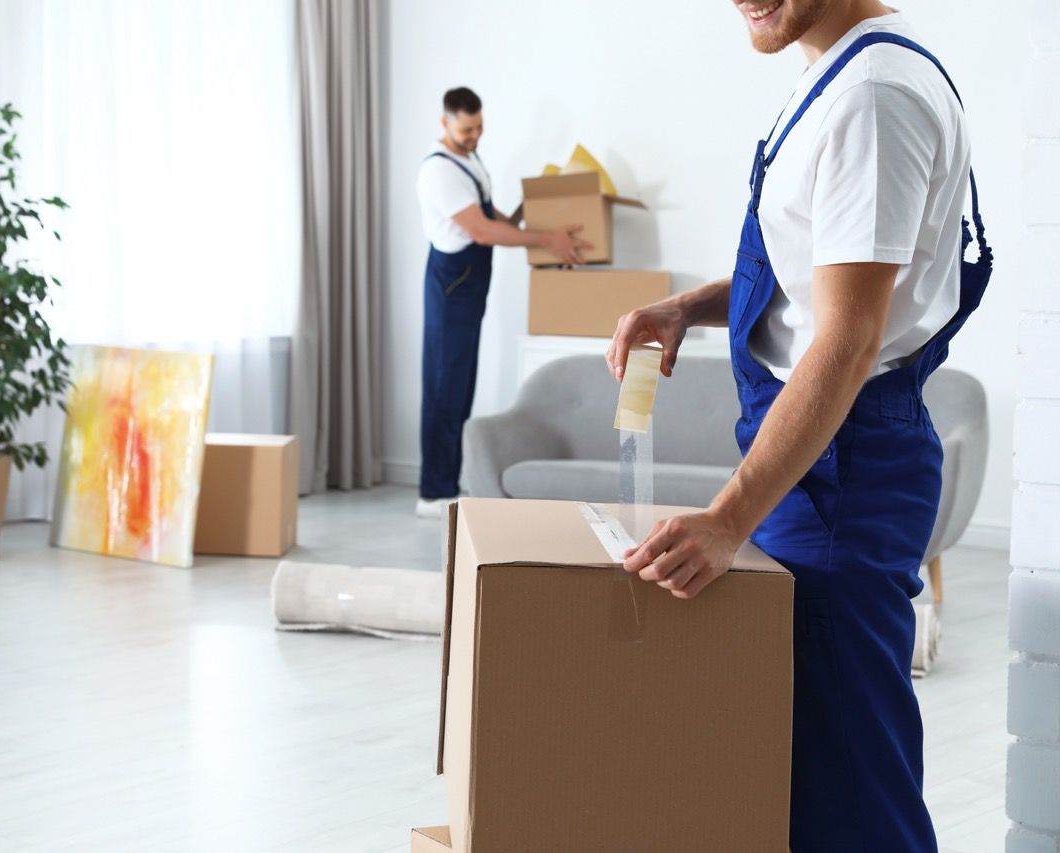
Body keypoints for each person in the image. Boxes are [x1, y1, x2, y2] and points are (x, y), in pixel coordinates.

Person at [607, 2, 992, 849]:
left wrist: (727, 518)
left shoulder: (873, 97)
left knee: (855, 791)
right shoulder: (832, 75)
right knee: (812, 769)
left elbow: (849, 340)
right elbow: (818, 278)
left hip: (841, 473)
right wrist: (691, 306)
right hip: (820, 463)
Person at [414, 86, 590, 518]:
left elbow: (493, 221)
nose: (475, 135)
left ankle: (446, 481)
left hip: (470, 283)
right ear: (445, 124)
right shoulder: (440, 170)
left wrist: (530, 212)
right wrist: (547, 238)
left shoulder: (468, 160)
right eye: (466, 129)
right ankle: (432, 493)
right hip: (452, 283)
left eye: (479, 127)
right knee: (443, 385)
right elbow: (481, 232)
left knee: (460, 385)